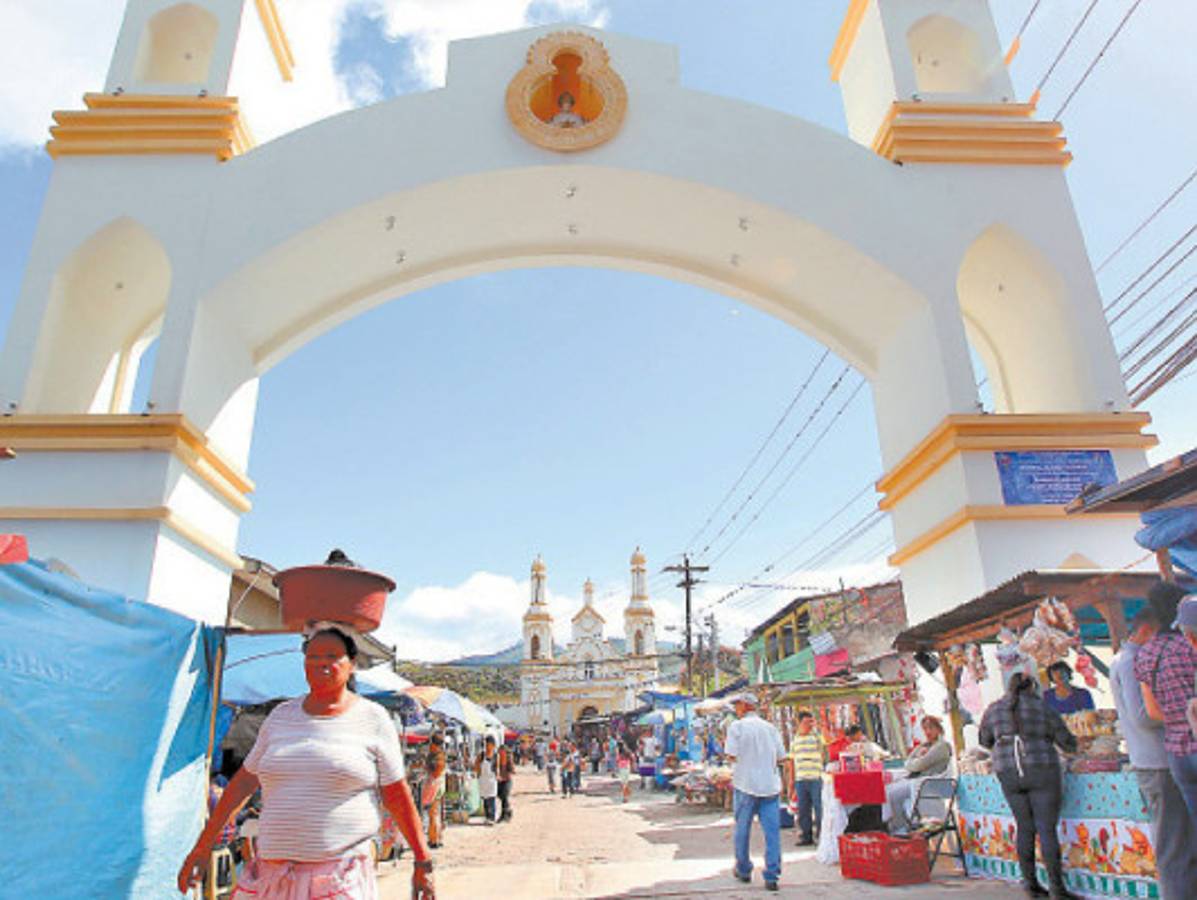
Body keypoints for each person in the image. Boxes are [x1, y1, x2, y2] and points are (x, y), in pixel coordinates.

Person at [177, 627, 435, 899]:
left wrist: (423, 861)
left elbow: (396, 795)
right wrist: (203, 847)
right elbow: (242, 784)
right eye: (312, 657)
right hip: (272, 879)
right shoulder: (280, 717)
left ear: (352, 664)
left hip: (338, 880)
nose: (321, 663)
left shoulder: (373, 718)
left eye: (332, 656)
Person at [1111, 604, 1197, 899]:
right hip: (1158, 762)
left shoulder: (1134, 658)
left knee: (1180, 843)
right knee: (1174, 846)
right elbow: (1142, 715)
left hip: (1163, 758)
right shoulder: (1130, 661)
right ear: (1148, 629)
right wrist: (1182, 714)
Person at [979, 671, 1079, 899]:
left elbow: (984, 741)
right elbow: (1067, 742)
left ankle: (1031, 886)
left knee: (1024, 827)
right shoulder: (1042, 708)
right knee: (1046, 829)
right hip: (1042, 769)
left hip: (1008, 772)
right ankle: (1057, 888)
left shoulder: (994, 709)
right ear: (1032, 687)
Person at [1137, 586, 1197, 830]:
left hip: (1177, 752)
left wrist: (1178, 719)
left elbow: (1152, 712)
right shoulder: (1189, 644)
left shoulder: (1145, 654)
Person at [724, 692, 785, 891]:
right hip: (770, 786)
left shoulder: (737, 727)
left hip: (746, 785)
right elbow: (781, 757)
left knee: (742, 830)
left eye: (737, 705)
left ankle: (743, 870)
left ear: (745, 705)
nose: (736, 709)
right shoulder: (770, 728)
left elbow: (731, 755)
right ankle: (772, 875)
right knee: (772, 833)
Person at [886, 716, 952, 835]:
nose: (928, 732)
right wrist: (917, 757)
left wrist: (917, 760)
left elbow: (919, 765)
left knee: (894, 792)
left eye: (931, 728)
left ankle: (904, 827)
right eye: (925, 728)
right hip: (919, 781)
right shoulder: (924, 746)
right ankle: (898, 827)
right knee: (890, 792)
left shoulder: (941, 746)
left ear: (938, 729)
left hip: (930, 784)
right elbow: (907, 762)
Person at [788, 711, 824, 847]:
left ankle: (822, 836)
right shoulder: (795, 740)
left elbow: (826, 744)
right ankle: (806, 836)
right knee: (803, 809)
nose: (809, 725)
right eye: (806, 722)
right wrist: (791, 781)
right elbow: (792, 761)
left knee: (819, 808)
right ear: (799, 723)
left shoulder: (817, 736)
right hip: (801, 779)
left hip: (816, 777)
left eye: (811, 722)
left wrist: (820, 728)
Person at [421, 735, 447, 849]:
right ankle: (436, 838)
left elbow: (436, 773)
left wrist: (427, 769)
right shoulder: (434, 755)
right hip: (436, 786)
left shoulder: (439, 757)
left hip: (436, 786)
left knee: (433, 813)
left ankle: (434, 840)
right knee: (435, 813)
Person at [475, 736, 499, 825]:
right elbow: (476, 765)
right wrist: (478, 773)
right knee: (485, 799)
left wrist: (497, 775)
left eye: (489, 744)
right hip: (483, 779)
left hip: (492, 779)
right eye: (486, 745)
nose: (487, 747)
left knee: (491, 798)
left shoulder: (496, 756)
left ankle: (492, 817)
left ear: (493, 745)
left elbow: (497, 767)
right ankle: (487, 817)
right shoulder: (481, 755)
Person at [496, 742, 515, 823]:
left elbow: (512, 770)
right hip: (500, 780)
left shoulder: (508, 758)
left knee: (504, 797)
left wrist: (504, 776)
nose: (500, 753)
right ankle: (506, 813)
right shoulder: (498, 758)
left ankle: (505, 815)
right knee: (501, 796)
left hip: (507, 780)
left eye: (501, 751)